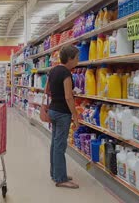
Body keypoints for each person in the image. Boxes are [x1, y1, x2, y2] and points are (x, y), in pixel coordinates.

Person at [45, 45, 80, 189]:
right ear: (70, 59)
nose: (78, 60)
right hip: (62, 114)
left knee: (55, 143)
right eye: (77, 58)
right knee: (60, 146)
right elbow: (68, 97)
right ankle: (60, 178)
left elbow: (47, 90)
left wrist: (60, 93)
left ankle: (55, 173)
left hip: (53, 110)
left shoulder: (53, 70)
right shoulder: (66, 73)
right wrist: (75, 116)